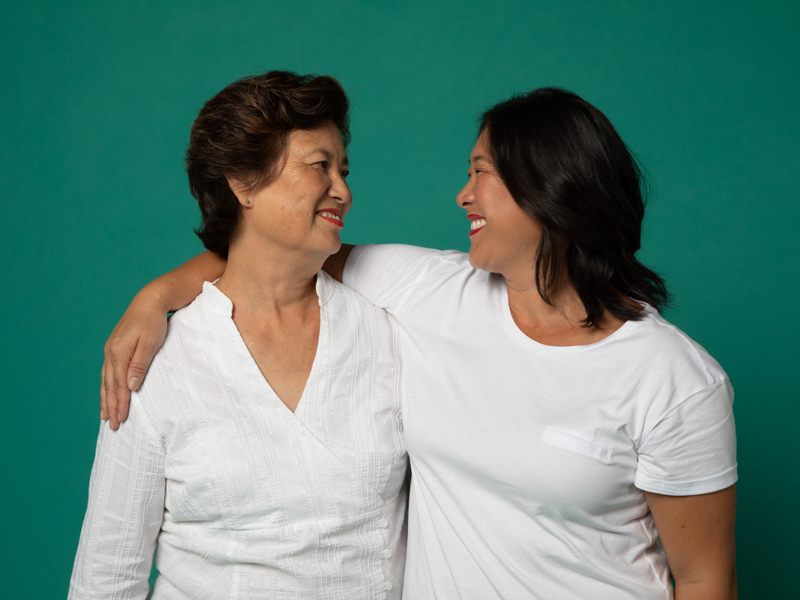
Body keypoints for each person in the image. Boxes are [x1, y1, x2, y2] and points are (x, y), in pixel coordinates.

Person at [100, 87, 737, 599]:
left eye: (481, 173)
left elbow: (705, 579)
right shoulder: (429, 291)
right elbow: (274, 250)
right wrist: (155, 297)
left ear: (551, 187)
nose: (463, 195)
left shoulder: (673, 378)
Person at [70, 71, 408, 599]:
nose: (343, 190)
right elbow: (107, 575)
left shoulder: (387, 331)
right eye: (319, 166)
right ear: (243, 182)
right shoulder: (158, 359)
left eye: (343, 170)